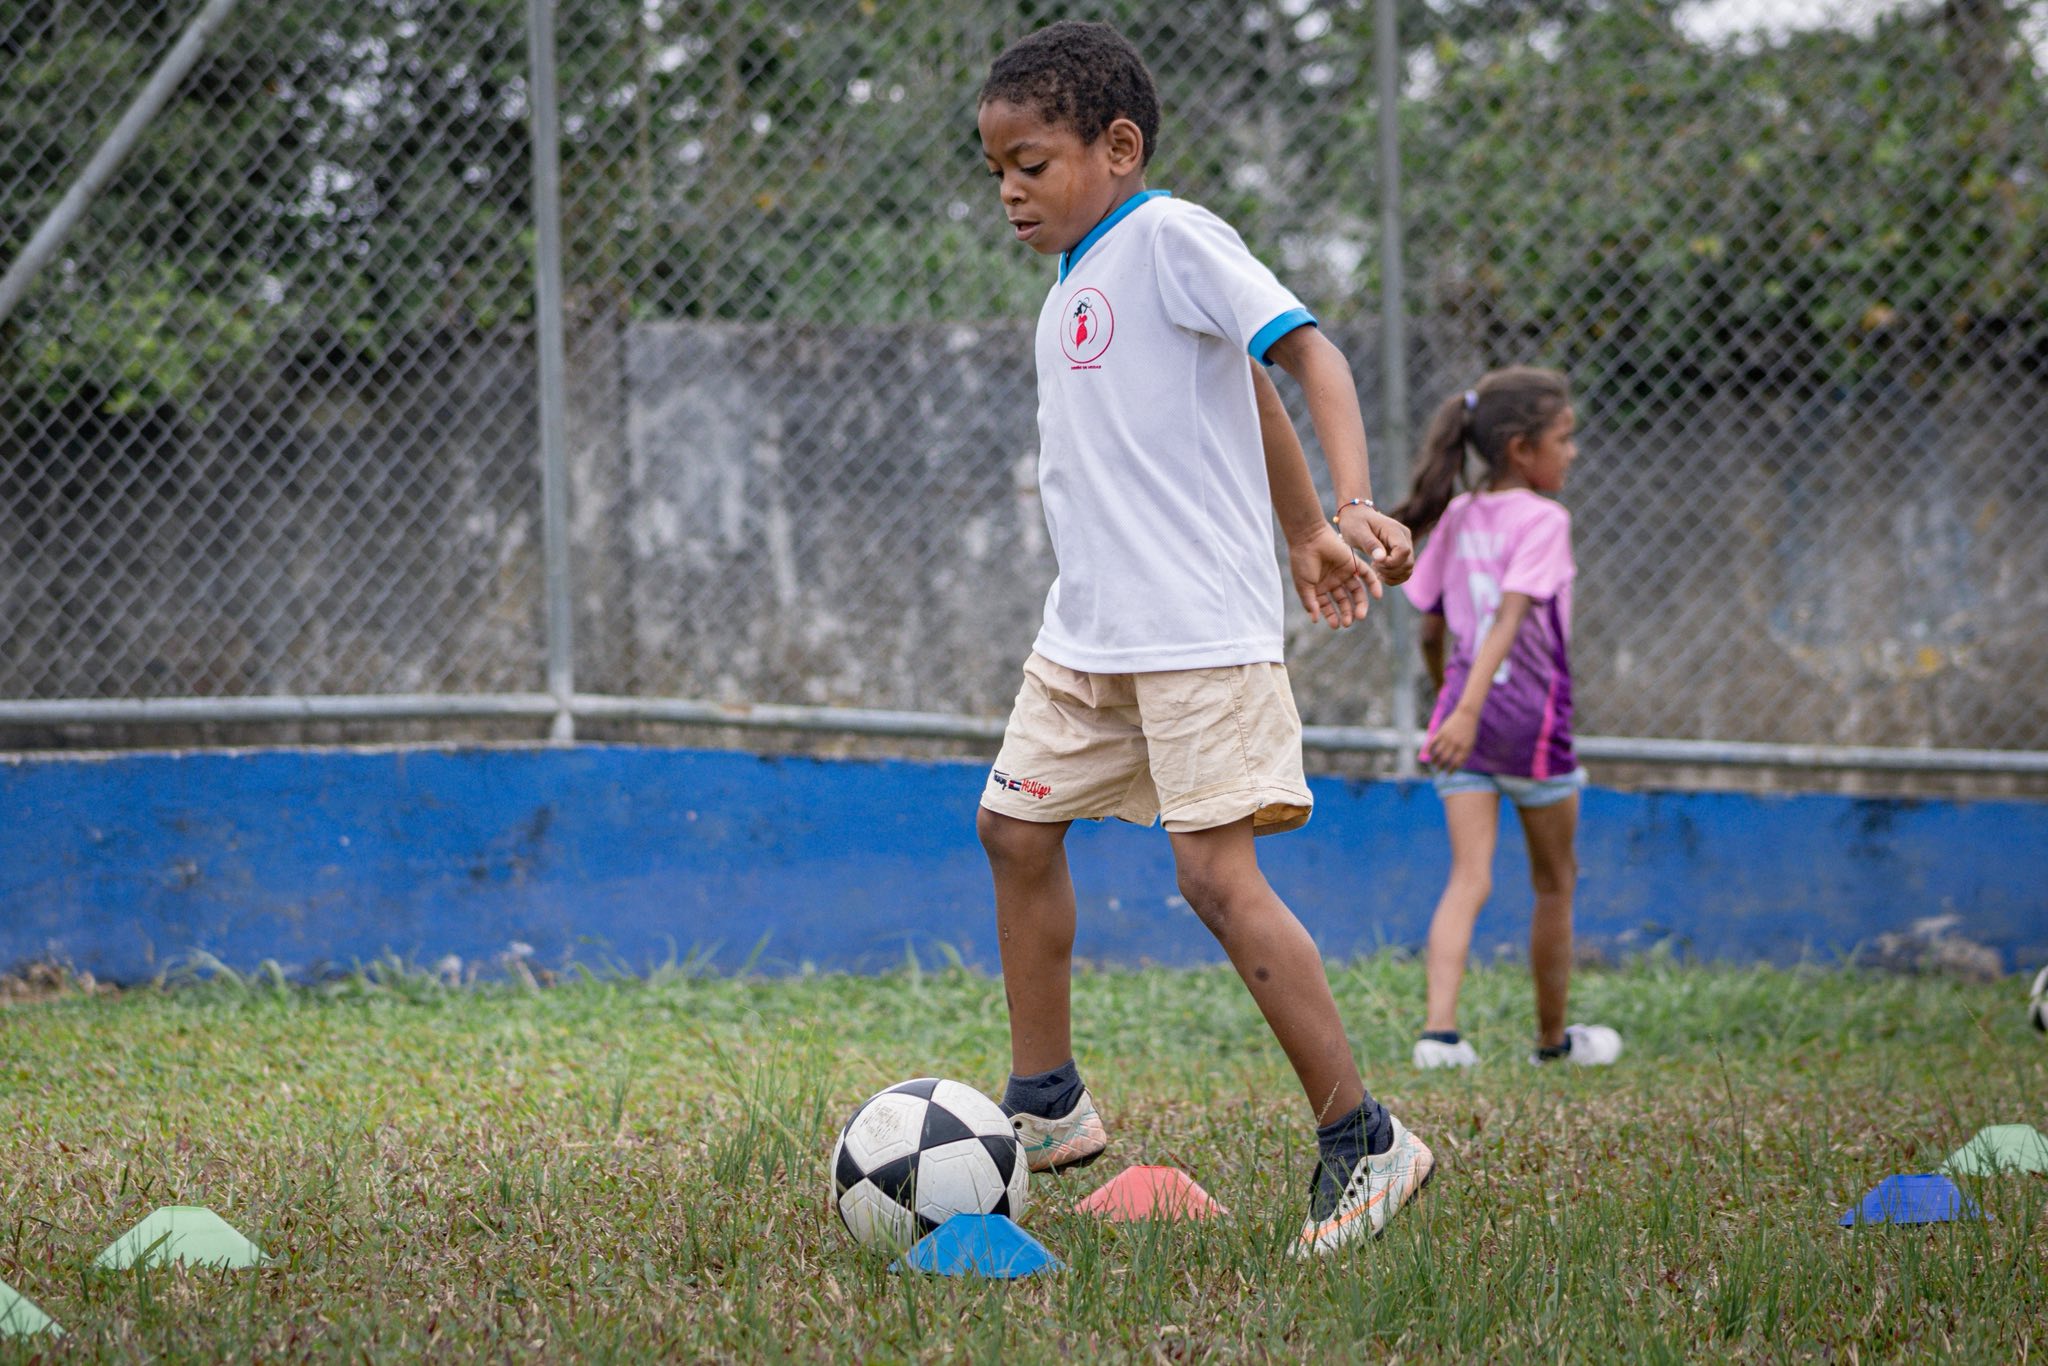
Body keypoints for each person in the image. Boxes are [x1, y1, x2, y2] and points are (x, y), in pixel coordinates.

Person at [974, 19, 1434, 1254]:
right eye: (996, 170)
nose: (1009, 190)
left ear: (1116, 147)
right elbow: (1241, 391)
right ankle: (1047, 1102)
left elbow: (1302, 355)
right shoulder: (1075, 276)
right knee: (1013, 829)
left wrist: (1343, 506)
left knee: (1214, 879)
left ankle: (1363, 1137)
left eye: (1031, 164)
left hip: (1192, 633)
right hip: (1089, 634)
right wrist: (1300, 530)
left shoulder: (1168, 237)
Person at [1391, 367, 1622, 1069]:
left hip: (1461, 733)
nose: (1572, 452)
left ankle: (1439, 1037)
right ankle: (1552, 1044)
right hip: (1530, 728)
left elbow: (1431, 631)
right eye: (1564, 438)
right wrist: (1466, 709)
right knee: (1555, 882)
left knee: (1468, 878)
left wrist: (1451, 705)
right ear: (1522, 449)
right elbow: (1509, 618)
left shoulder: (1458, 515)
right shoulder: (1546, 520)